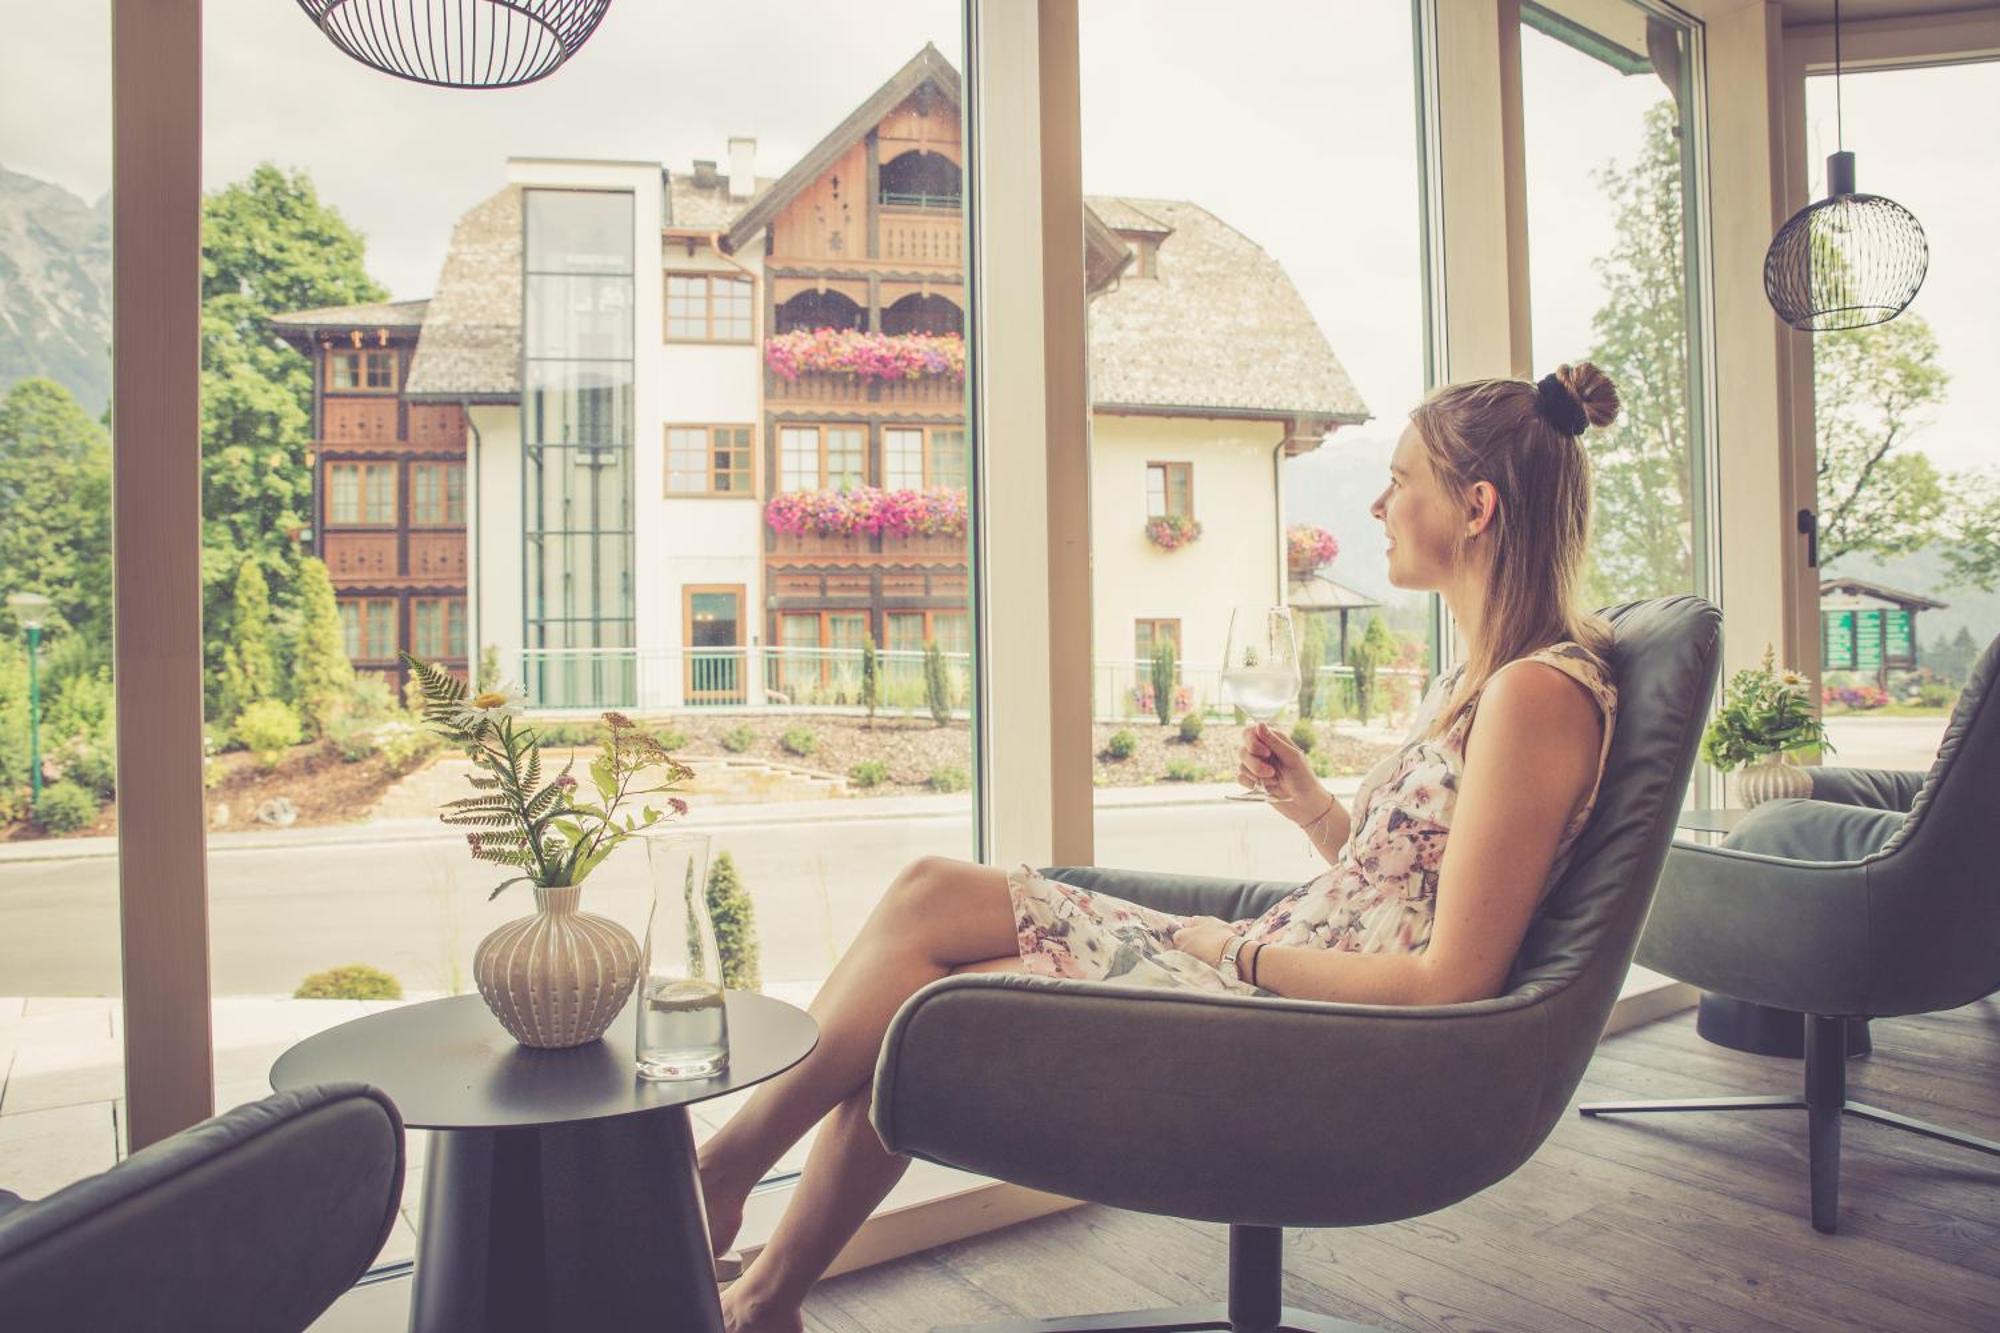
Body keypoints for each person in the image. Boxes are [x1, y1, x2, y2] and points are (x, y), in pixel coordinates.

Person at [701, 363, 1624, 1332]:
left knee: (927, 940)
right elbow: (1409, 889)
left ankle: (725, 1191)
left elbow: (1446, 978)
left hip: (1297, 1025)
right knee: (922, 937)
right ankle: (760, 1280)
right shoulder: (1474, 683)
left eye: (1402, 480)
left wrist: (1232, 950)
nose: (1377, 501)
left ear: (1474, 507)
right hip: (1272, 979)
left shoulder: (1533, 695)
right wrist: (1312, 809)